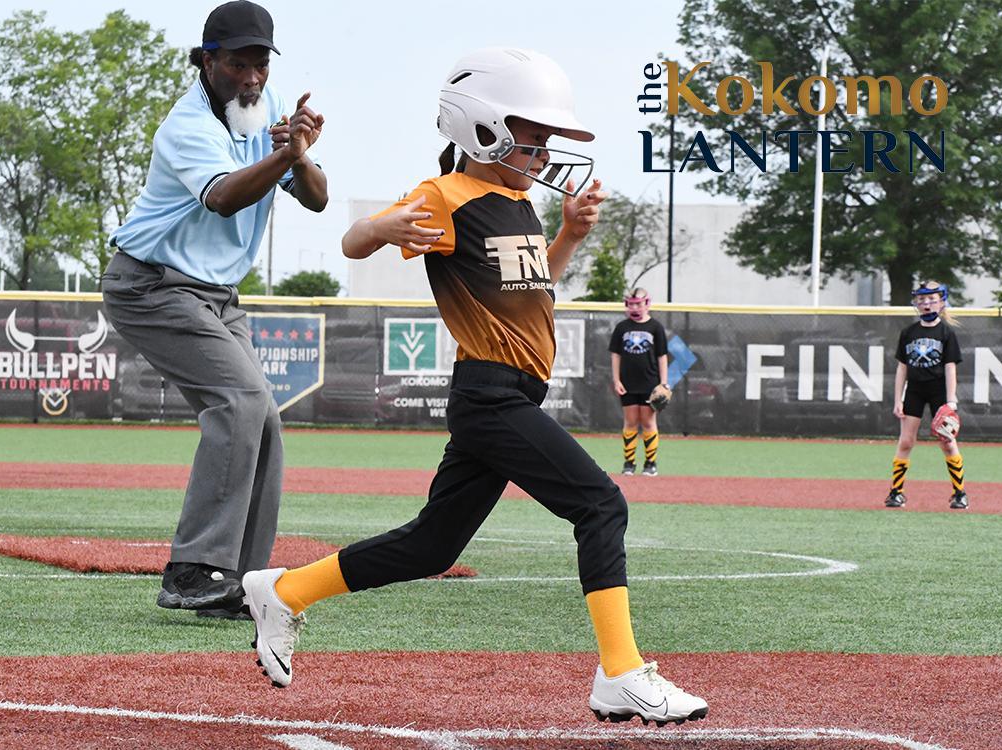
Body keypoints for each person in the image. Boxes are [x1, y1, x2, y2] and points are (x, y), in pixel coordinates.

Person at [241, 47, 708, 727]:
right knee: (601, 505)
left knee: (433, 546)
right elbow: (349, 242)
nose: (544, 149)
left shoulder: (517, 200)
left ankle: (283, 590)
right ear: (481, 126)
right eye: (534, 132)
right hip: (489, 393)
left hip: (510, 395)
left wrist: (571, 236)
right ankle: (620, 672)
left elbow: (531, 285)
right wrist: (381, 228)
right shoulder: (445, 195)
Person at [101, 0, 328, 619]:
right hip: (151, 285)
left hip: (216, 294)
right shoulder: (187, 126)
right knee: (241, 402)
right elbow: (225, 198)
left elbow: (317, 200)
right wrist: (283, 156)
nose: (251, 77)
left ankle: (240, 582)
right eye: (237, 64)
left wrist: (300, 154)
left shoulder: (267, 105)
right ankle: (192, 569)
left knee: (265, 420)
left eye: (259, 64)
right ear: (205, 61)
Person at [885, 281, 967, 510]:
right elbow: (902, 368)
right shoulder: (909, 333)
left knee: (947, 442)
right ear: (916, 304)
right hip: (915, 390)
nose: (927, 304)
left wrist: (951, 400)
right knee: (906, 441)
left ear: (941, 302)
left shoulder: (946, 332)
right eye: (922, 300)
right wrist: (898, 399)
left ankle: (959, 493)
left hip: (939, 390)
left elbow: (951, 367)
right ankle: (896, 492)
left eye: (932, 299)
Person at [609, 288, 669, 476]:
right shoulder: (622, 327)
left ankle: (650, 463)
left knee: (648, 421)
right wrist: (616, 379)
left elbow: (662, 357)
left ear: (647, 304)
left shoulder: (655, 327)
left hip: (650, 383)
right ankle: (629, 463)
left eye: (638, 303)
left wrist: (664, 383)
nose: (635, 307)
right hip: (627, 382)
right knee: (631, 421)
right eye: (631, 303)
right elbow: (616, 355)